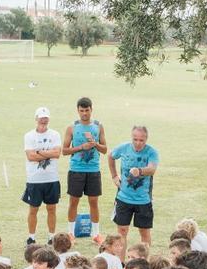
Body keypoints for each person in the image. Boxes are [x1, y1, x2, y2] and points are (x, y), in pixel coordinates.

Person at [63, 97, 108, 243]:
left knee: (93, 201)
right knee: (73, 201)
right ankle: (71, 233)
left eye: (86, 110)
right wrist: (82, 147)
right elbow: (64, 151)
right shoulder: (72, 128)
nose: (84, 114)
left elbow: (105, 149)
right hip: (76, 169)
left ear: (91, 109)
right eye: (81, 111)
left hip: (93, 170)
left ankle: (96, 234)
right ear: (77, 110)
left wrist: (94, 144)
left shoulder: (98, 126)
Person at [108, 125, 159, 245]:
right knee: (122, 231)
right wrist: (114, 176)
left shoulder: (152, 152)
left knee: (144, 232)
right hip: (123, 198)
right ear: (132, 137)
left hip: (143, 200)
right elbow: (111, 156)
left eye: (141, 140)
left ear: (146, 139)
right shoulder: (124, 148)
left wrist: (139, 171)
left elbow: (152, 169)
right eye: (135, 139)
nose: (138, 143)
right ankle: (121, 263)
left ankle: (144, 262)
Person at [24, 107, 62, 244]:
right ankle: (31, 237)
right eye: (41, 117)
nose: (43, 120)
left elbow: (57, 154)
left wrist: (39, 152)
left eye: (46, 117)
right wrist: (48, 153)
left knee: (51, 209)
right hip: (34, 179)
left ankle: (51, 237)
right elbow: (30, 156)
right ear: (36, 118)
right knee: (33, 209)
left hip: (51, 178)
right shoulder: (29, 136)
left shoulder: (55, 135)